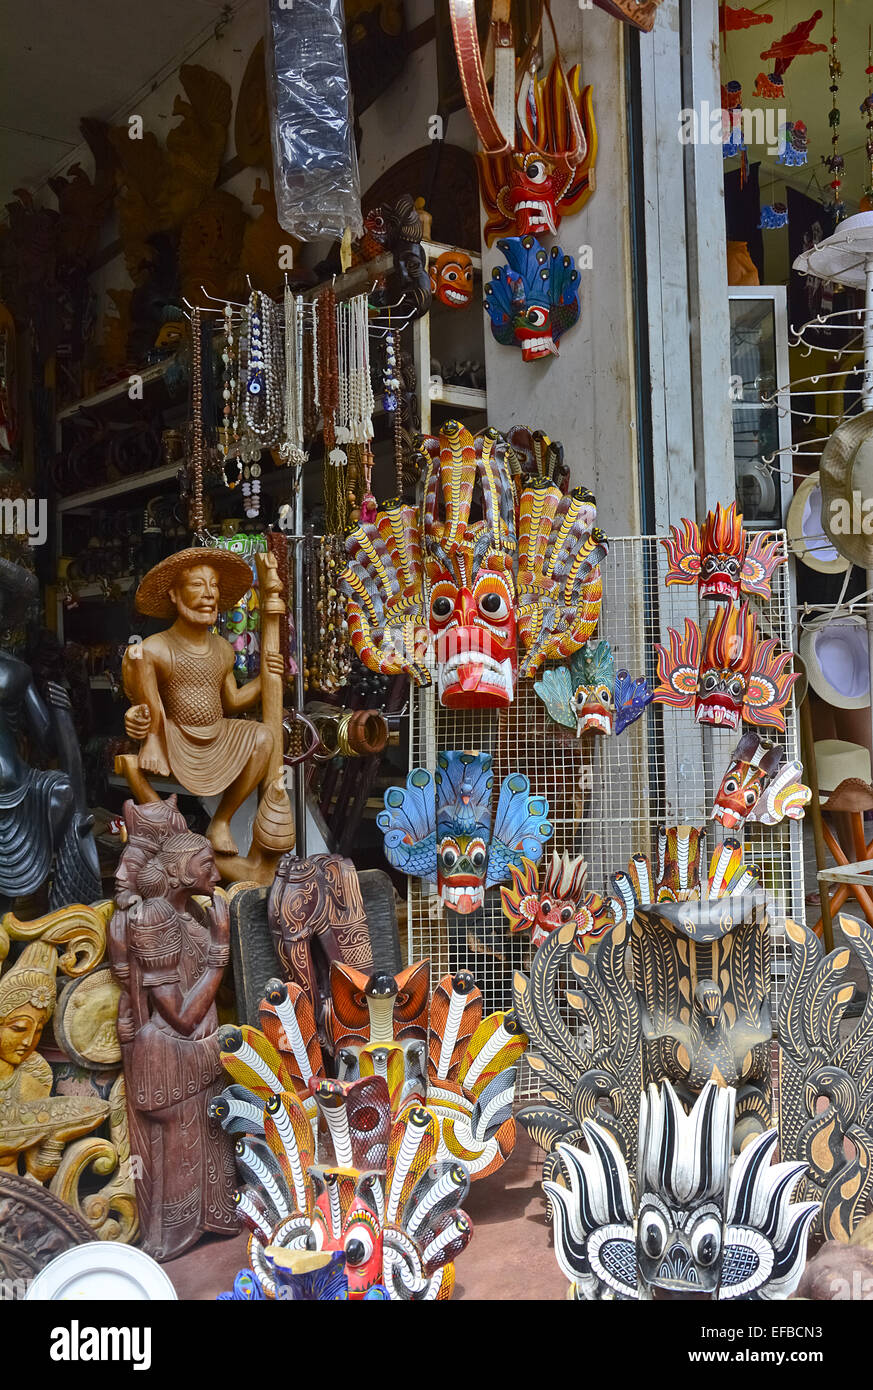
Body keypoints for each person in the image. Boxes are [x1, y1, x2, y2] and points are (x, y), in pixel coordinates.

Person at [120, 548, 284, 856]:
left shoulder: (222, 648)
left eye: (214, 585)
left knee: (264, 736)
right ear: (174, 593)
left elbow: (232, 701)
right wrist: (149, 735)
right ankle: (175, 837)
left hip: (216, 734)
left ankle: (221, 821)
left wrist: (265, 679)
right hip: (174, 735)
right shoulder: (155, 649)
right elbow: (146, 701)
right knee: (138, 655)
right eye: (197, 585)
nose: (209, 594)